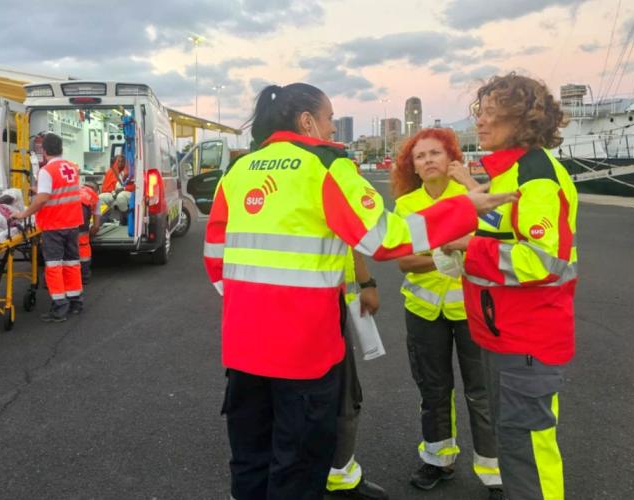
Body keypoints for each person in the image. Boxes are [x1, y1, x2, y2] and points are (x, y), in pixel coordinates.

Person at [203, 82, 516, 500]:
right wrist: (463, 209)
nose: (333, 130)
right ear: (308, 121)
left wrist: (253, 305)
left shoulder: (238, 171)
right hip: (304, 349)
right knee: (297, 462)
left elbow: (215, 258)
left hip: (243, 345)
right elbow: (385, 238)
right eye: (330, 119)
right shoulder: (325, 166)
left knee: (250, 456)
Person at [453, 73, 578, 500]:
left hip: (527, 338)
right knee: (515, 443)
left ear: (523, 121)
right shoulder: (510, 174)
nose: (480, 123)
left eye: (491, 113)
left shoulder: (536, 175)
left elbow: (542, 261)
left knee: (527, 451)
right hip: (504, 334)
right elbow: (503, 234)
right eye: (480, 112)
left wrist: (467, 247)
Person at [391, 128, 502, 499]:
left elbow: (493, 242)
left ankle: (493, 471)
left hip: (472, 311)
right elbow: (404, 261)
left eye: (435, 153)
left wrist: (440, 250)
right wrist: (447, 254)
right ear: (414, 167)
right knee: (434, 389)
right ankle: (439, 459)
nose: (428, 160)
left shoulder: (471, 197)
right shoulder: (407, 206)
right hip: (424, 312)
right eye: (420, 156)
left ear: (451, 158)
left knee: (481, 391)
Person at [325, 249, 388, 500]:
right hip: (301, 306)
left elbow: (349, 239)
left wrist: (366, 283)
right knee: (303, 396)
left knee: (344, 393)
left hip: (330, 301)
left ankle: (339, 474)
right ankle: (314, 475)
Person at [12, 133, 84, 322]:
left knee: (53, 266)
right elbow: (62, 191)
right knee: (72, 264)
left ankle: (60, 308)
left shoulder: (46, 171)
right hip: (72, 223)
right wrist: (42, 191)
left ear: (43, 151)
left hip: (54, 225)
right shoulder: (71, 167)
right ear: (61, 149)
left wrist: (23, 214)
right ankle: (75, 301)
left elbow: (43, 198)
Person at [78, 178, 102, 284]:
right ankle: (84, 276)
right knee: (83, 249)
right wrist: (89, 235)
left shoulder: (74, 190)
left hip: (64, 220)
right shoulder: (95, 198)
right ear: (96, 190)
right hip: (81, 223)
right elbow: (96, 226)